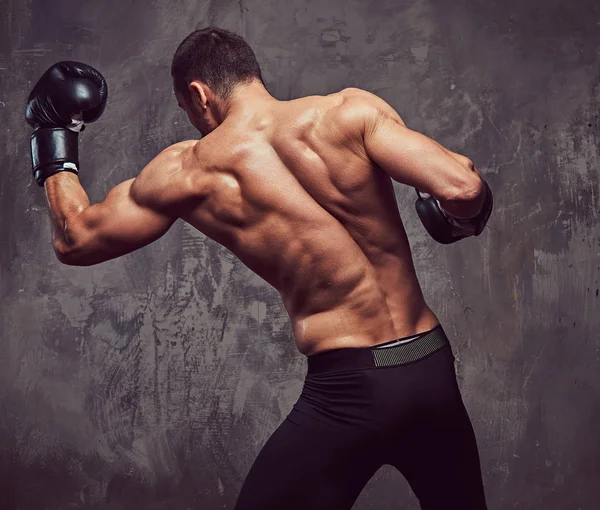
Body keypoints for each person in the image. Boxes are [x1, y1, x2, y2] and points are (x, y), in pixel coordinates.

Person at [25, 27, 492, 510]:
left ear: (198, 94)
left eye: (186, 111)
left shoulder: (192, 170)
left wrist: (53, 133)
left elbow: (75, 239)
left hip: (350, 387)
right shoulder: (351, 111)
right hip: (429, 368)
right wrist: (459, 220)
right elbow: (461, 189)